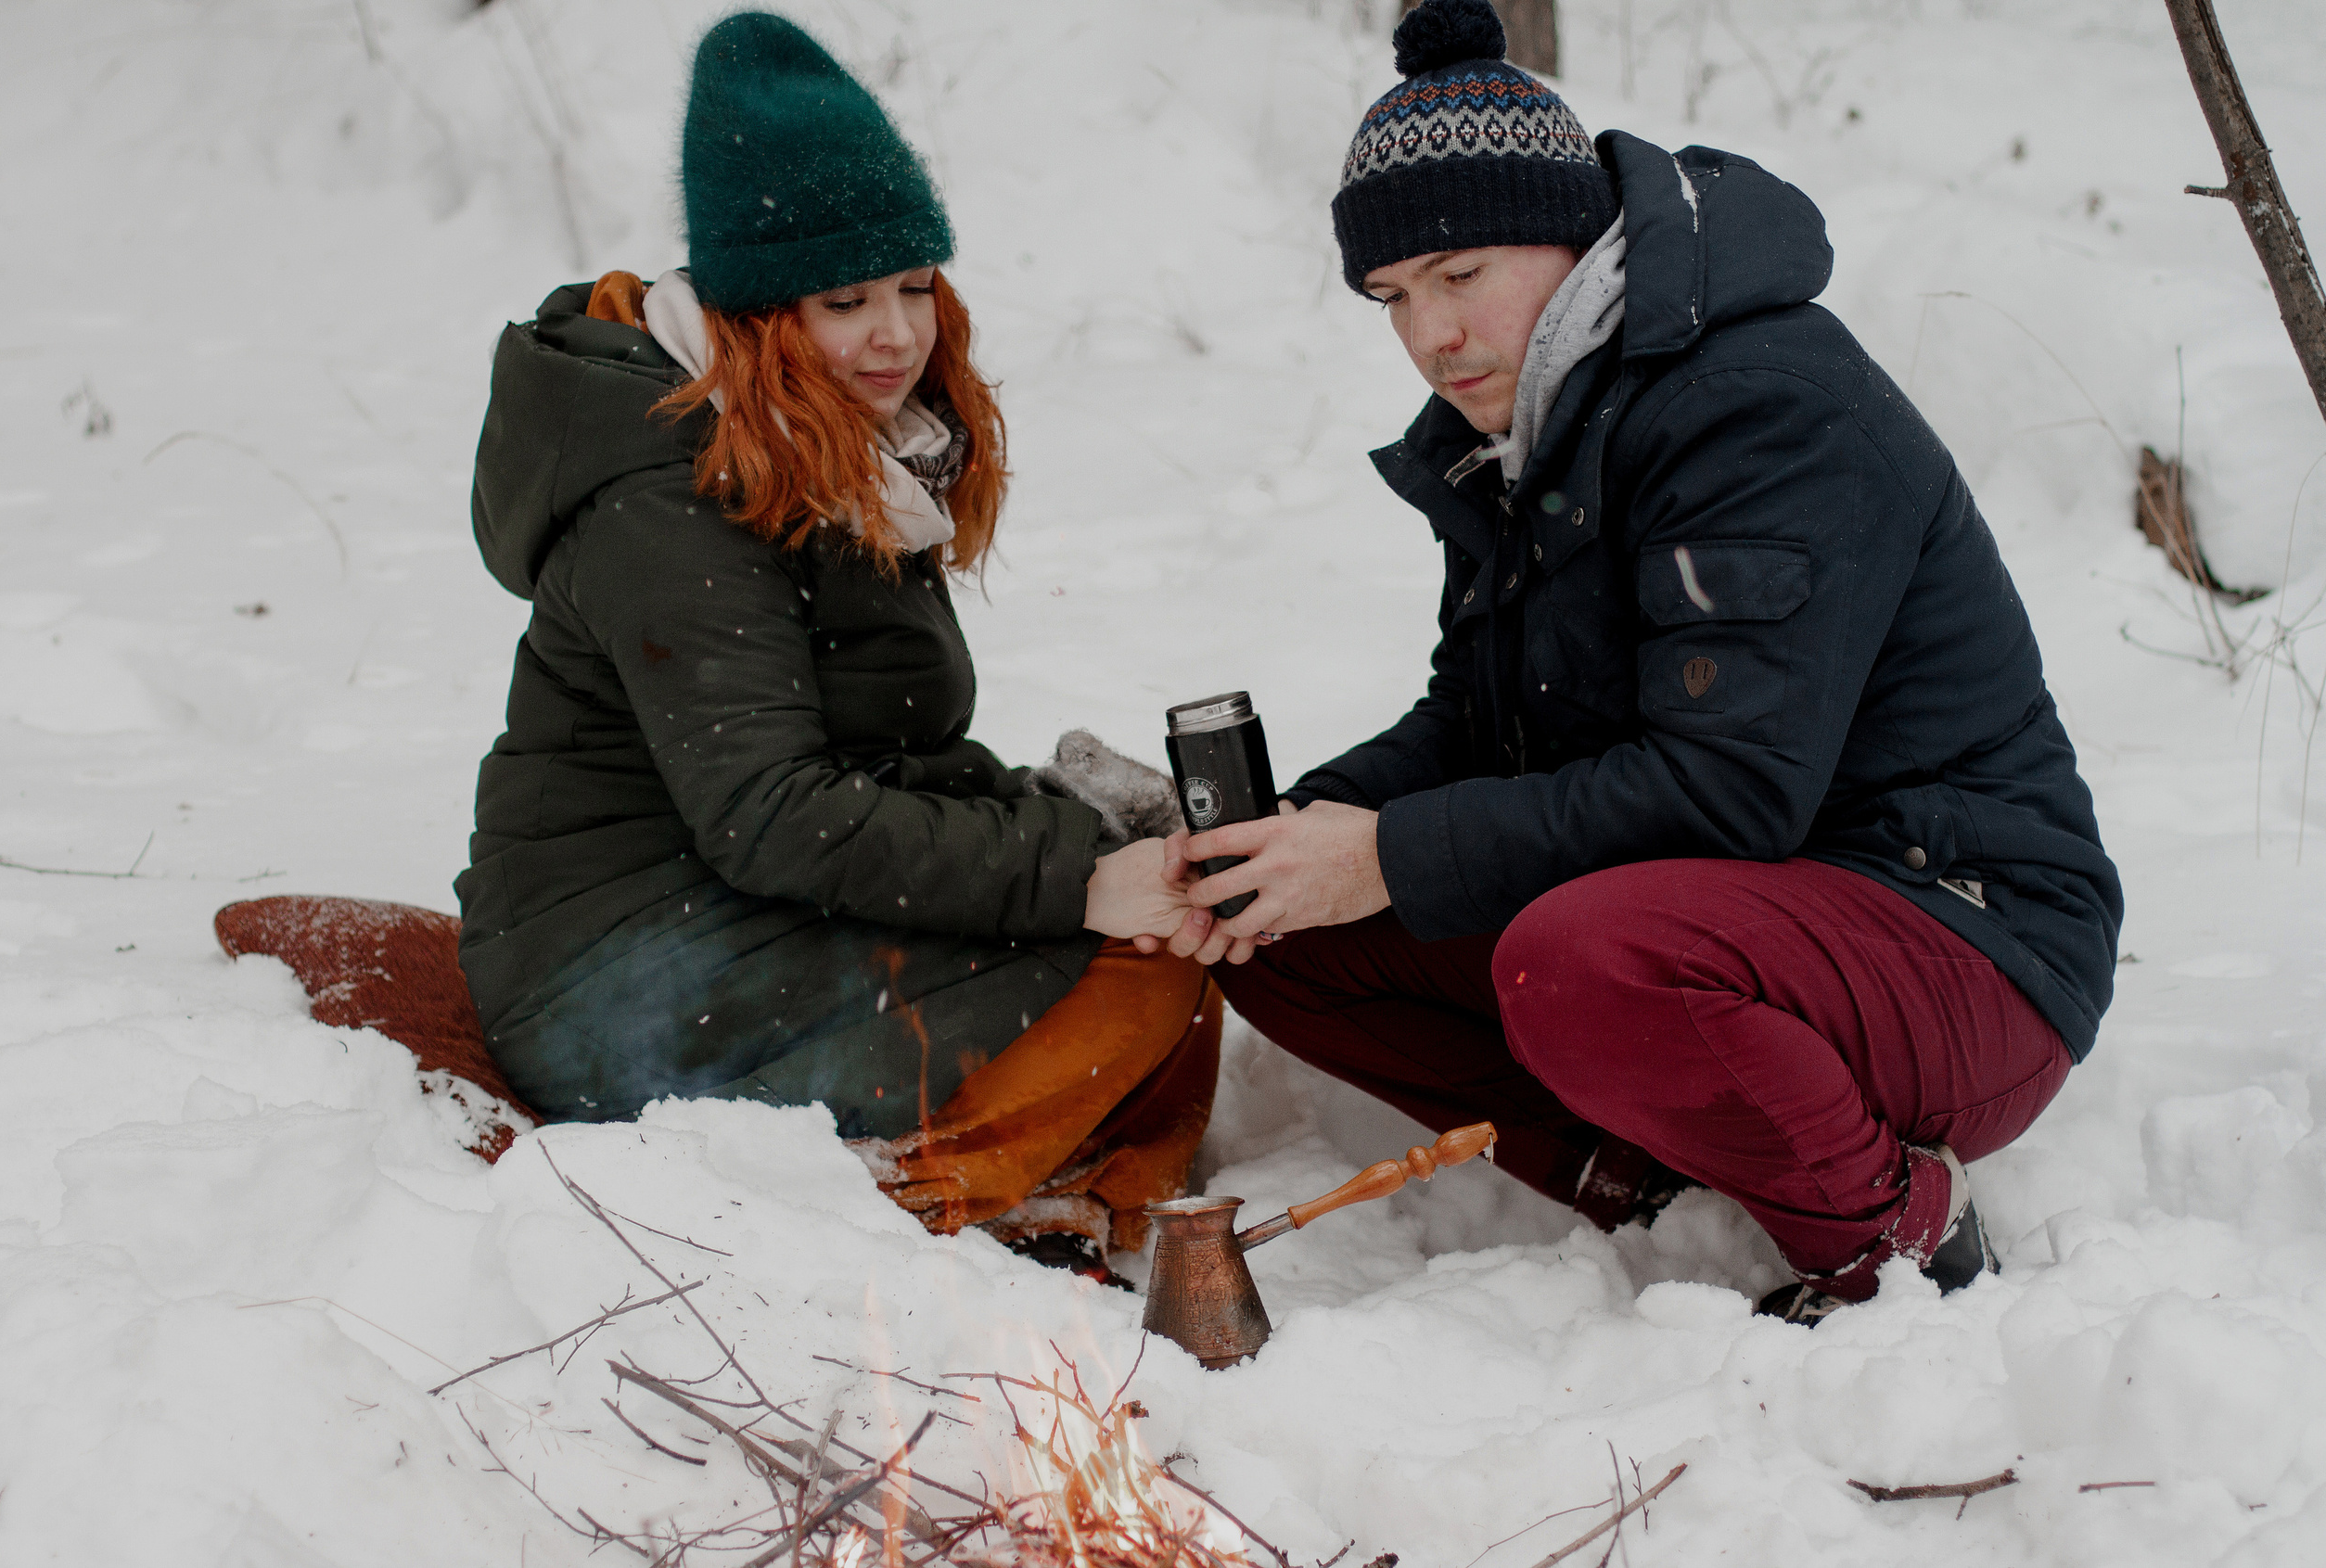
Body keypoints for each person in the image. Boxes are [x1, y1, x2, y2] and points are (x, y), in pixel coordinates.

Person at [1167, 0, 2124, 1322]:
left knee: (1578, 958)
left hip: (1959, 932)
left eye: (1463, 275)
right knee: (1281, 933)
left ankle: (1897, 1239)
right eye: (1395, 297)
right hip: (1747, 915)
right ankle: (1658, 1184)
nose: (1432, 337)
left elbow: (1730, 789)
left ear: (1576, 238)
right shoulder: (1529, 420)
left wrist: (1382, 853)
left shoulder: (1759, 403)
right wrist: (1293, 836)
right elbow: (1485, 720)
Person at [454, 12, 1214, 1269]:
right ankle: (905, 1222)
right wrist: (1079, 878)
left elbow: (875, 752)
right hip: (611, 971)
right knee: (1135, 969)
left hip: (734, 907)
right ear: (757, 314)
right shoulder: (664, 498)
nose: (897, 336)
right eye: (845, 299)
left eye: (914, 286)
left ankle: (1077, 1192)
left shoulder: (836, 445)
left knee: (1166, 939)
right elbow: (775, 811)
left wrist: (1079, 825)